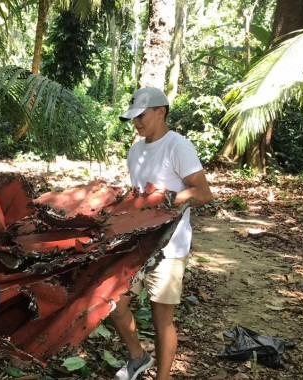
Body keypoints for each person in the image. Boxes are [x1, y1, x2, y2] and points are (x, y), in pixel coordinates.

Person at [110, 87, 212, 380]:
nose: (136, 123)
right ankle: (138, 357)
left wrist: (170, 200)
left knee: (161, 319)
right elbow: (136, 193)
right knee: (115, 305)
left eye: (140, 117)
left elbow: (204, 192)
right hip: (138, 243)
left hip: (169, 247)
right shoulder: (136, 150)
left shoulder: (177, 146)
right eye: (133, 118)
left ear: (160, 112)